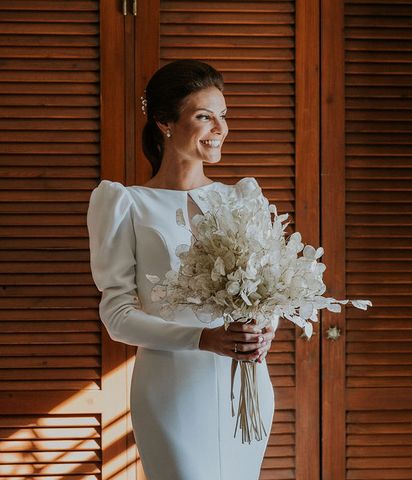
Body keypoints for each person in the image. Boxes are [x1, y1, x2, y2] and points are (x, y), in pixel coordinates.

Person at [86, 59, 276, 479]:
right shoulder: (125, 204)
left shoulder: (243, 198)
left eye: (223, 115)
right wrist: (202, 338)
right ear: (164, 122)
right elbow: (117, 316)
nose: (220, 128)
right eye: (204, 116)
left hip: (245, 384)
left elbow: (267, 293)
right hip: (170, 387)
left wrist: (264, 330)